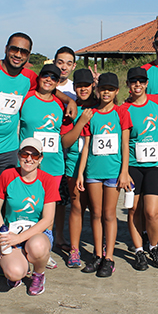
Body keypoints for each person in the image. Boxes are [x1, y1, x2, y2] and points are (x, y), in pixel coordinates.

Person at [0, 33, 76, 285]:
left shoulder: (27, 76)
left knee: (2, 206)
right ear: (6, 48)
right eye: (14, 49)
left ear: (28, 55)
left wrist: (67, 98)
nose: (18, 54)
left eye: (24, 51)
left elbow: (48, 86)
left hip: (9, 151)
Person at [76, 73, 132, 277]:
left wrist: (124, 172)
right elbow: (86, 147)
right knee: (96, 214)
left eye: (110, 89)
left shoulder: (121, 113)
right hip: (93, 171)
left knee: (109, 214)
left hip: (113, 172)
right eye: (103, 89)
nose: (106, 92)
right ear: (97, 90)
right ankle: (97, 254)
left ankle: (109, 258)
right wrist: (80, 173)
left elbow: (125, 145)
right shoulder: (91, 114)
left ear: (117, 91)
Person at [0, 138, 59, 296]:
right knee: (14, 273)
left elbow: (47, 219)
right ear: (18, 155)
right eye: (25, 154)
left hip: (38, 235)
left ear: (40, 158)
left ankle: (38, 274)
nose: (29, 159)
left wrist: (19, 238)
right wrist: (4, 234)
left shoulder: (48, 180)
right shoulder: (7, 175)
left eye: (34, 155)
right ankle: (20, 264)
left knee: (37, 247)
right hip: (11, 233)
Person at [19, 63, 70, 269]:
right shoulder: (26, 98)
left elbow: (63, 134)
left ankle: (43, 251)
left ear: (58, 82)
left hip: (53, 166)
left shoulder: (60, 104)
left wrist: (69, 101)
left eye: (54, 77)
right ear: (39, 77)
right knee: (29, 207)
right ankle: (22, 246)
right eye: (45, 75)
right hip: (29, 164)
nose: (49, 79)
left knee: (48, 212)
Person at [123, 67, 158, 270]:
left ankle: (154, 246)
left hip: (154, 167)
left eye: (141, 81)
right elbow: (123, 142)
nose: (137, 85)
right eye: (133, 81)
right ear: (128, 84)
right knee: (133, 210)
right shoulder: (124, 109)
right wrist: (123, 171)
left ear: (147, 83)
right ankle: (139, 250)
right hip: (133, 166)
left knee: (152, 212)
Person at [61, 69, 97, 268]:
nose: (83, 89)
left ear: (93, 86)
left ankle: (100, 248)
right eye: (79, 86)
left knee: (98, 209)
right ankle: (75, 249)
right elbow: (66, 142)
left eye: (87, 85)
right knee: (77, 206)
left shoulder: (102, 106)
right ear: (74, 87)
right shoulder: (72, 109)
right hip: (74, 164)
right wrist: (81, 122)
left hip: (99, 164)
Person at [51, 47, 78, 252]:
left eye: (69, 63)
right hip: (47, 148)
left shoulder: (75, 88)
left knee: (60, 199)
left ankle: (58, 236)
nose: (64, 67)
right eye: (60, 62)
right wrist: (66, 99)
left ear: (74, 66)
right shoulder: (46, 81)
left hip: (69, 148)